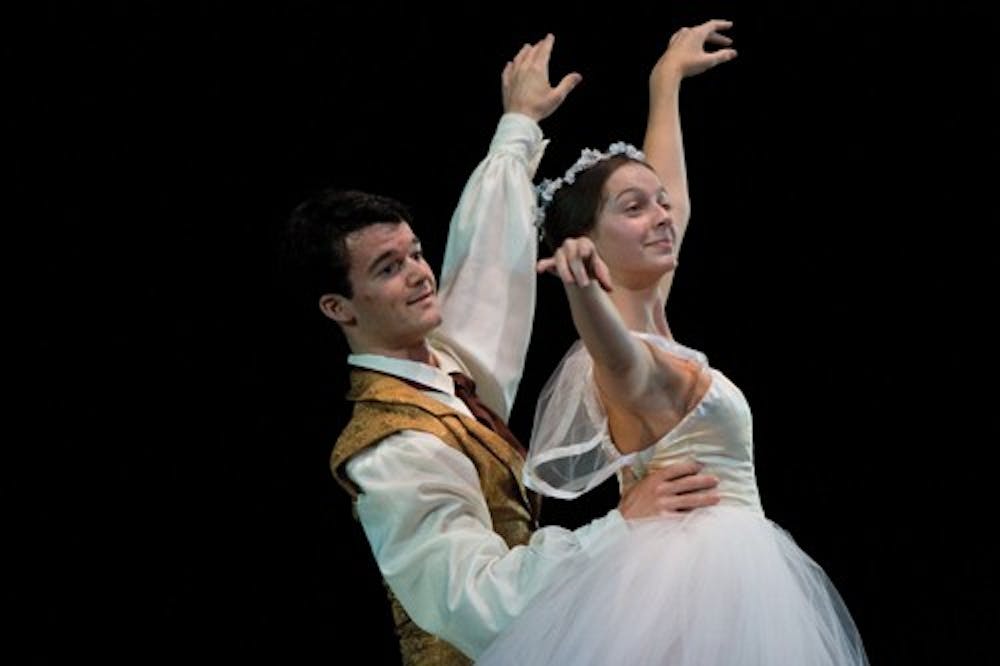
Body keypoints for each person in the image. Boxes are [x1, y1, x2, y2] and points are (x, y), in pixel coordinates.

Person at [282, 34, 721, 665]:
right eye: (387, 269)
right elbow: (472, 600)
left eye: (415, 253)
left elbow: (487, 264)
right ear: (338, 307)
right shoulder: (392, 446)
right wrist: (618, 530)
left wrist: (519, 124)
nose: (420, 274)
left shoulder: (445, 366)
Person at [476, 19, 869, 665]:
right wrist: (581, 290)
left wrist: (666, 81)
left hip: (704, 571)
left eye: (659, 204)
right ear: (593, 243)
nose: (662, 217)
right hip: (698, 586)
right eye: (634, 209)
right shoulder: (633, 354)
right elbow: (618, 362)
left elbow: (672, 195)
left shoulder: (656, 314)